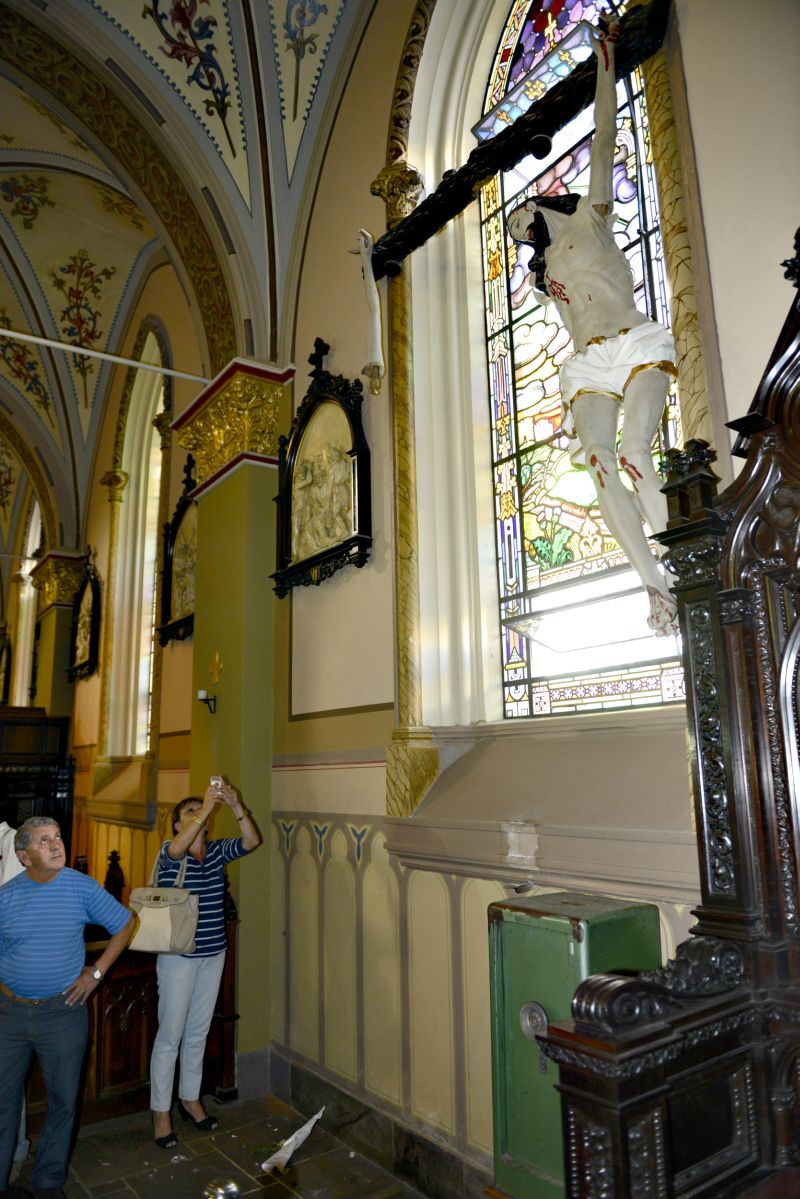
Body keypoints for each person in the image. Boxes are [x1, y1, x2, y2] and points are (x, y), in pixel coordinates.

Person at [507, 16, 679, 636]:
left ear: (536, 206)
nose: (521, 229)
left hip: (633, 342)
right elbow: (567, 317)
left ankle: (684, 565)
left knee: (635, 453)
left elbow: (606, 138)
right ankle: (655, 589)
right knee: (600, 462)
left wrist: (605, 63)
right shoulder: (545, 269)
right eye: (517, 231)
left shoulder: (591, 215)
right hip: (587, 366)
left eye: (521, 220)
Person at [0, 817, 135, 1199]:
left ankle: (48, 1183)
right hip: (9, 1014)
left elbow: (125, 924)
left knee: (62, 1101)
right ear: (24, 856)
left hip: (63, 1014)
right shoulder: (6, 897)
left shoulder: (82, 888)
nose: (57, 844)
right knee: (1, 1105)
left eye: (57, 836)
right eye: (45, 841)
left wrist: (95, 974)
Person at [150, 778, 261, 1149]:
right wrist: (207, 808)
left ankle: (190, 1099)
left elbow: (251, 841)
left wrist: (234, 803)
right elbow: (179, 849)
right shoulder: (171, 850)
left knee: (198, 1032)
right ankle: (161, 1114)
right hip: (179, 959)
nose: (200, 814)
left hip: (213, 954)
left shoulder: (216, 852)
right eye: (190, 812)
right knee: (170, 1037)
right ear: (179, 824)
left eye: (202, 810)